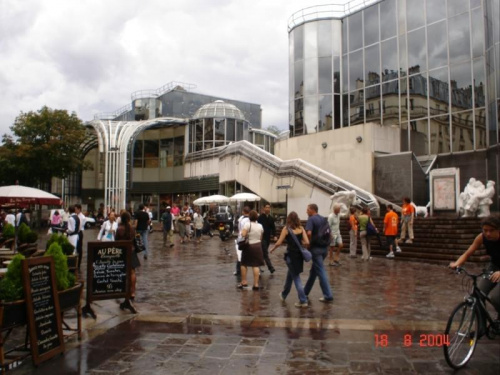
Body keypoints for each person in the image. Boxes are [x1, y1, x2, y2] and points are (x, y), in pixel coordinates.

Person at [449, 215, 500, 317]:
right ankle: (481, 327)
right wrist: (457, 263)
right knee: (478, 295)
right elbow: (468, 253)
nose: (488, 233)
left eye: (492, 230)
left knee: (496, 297)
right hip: (494, 266)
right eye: (485, 230)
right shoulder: (481, 237)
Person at [270, 211, 310, 308]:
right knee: (291, 274)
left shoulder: (286, 229)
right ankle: (284, 294)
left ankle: (303, 300)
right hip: (299, 256)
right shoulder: (301, 228)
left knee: (296, 278)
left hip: (290, 256)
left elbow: (279, 242)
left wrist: (272, 249)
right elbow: (307, 242)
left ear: (288, 219)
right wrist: (299, 243)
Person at [303, 204, 334, 303]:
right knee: (314, 272)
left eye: (307, 209)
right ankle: (305, 292)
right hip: (324, 248)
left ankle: (328, 295)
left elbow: (308, 233)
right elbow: (330, 234)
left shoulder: (311, 219)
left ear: (312, 210)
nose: (306, 211)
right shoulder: (323, 219)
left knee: (320, 271)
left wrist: (308, 244)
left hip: (316, 249)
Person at [115, 211, 140, 313]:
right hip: (132, 251)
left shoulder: (119, 228)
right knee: (132, 272)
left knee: (123, 272)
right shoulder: (132, 229)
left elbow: (116, 240)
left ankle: (124, 290)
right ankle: (132, 291)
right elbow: (134, 240)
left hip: (122, 251)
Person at [238, 210, 265, 290]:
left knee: (244, 264)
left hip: (249, 246)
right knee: (255, 265)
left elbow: (243, 234)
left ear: (250, 217)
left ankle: (244, 282)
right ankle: (256, 284)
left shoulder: (247, 224)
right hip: (258, 246)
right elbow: (261, 237)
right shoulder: (260, 226)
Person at [257, 204, 276, 274]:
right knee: (265, 253)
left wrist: (274, 235)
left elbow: (273, 227)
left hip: (268, 238)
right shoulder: (260, 217)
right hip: (262, 238)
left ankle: (257, 266)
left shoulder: (271, 218)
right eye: (266, 207)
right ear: (264, 208)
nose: (267, 209)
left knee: (262, 253)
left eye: (269, 207)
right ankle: (271, 268)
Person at [234, 207, 251, 277]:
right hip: (249, 239)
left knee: (240, 256)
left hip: (241, 239)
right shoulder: (251, 219)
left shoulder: (241, 219)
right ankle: (257, 270)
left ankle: (238, 271)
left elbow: (239, 229)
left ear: (243, 212)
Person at [75, 204, 87, 269]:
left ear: (79, 209)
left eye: (76, 209)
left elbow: (80, 226)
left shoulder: (82, 217)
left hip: (79, 232)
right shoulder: (75, 215)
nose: (75, 210)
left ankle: (79, 263)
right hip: (75, 232)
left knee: (79, 248)